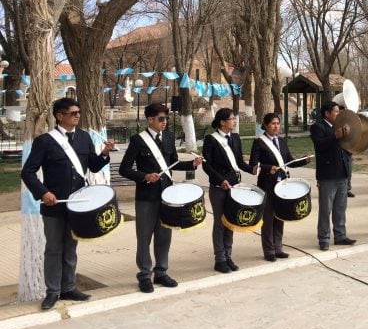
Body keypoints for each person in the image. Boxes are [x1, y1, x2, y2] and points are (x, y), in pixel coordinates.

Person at [21, 98, 113, 310]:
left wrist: (105, 153)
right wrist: (43, 193)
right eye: (73, 113)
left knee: (71, 248)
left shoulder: (83, 137)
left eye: (78, 112)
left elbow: (94, 166)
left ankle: (68, 287)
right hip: (54, 205)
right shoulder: (45, 141)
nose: (77, 116)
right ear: (59, 116)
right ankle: (52, 292)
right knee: (53, 249)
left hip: (78, 205)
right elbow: (28, 172)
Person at [119, 103, 202, 293]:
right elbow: (125, 168)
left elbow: (172, 164)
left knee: (164, 235)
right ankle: (144, 275)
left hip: (167, 195)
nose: (165, 122)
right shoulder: (138, 140)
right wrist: (144, 176)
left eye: (166, 118)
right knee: (144, 237)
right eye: (161, 119)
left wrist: (192, 164)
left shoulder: (169, 137)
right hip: (146, 197)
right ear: (150, 120)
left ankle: (162, 272)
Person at [249, 113, 311, 261]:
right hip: (267, 185)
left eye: (278, 123)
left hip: (282, 185)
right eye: (273, 123)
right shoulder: (259, 142)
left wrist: (304, 160)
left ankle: (278, 247)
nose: (276, 126)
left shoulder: (281, 141)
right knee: (268, 219)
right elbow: (253, 164)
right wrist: (267, 167)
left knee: (280, 217)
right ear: (265, 125)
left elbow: (288, 161)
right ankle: (269, 251)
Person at [202, 108, 257, 273]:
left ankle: (228, 256)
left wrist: (251, 169)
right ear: (222, 122)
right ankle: (219, 259)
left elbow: (239, 161)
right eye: (232, 119)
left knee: (231, 222)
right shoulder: (211, 139)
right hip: (219, 187)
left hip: (235, 186)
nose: (235, 121)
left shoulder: (235, 137)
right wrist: (220, 180)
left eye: (235, 118)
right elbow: (206, 164)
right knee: (220, 223)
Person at [312, 101, 356, 251]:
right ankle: (324, 238)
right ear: (327, 114)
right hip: (327, 175)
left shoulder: (341, 127)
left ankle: (340, 235)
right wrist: (335, 136)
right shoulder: (318, 127)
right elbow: (320, 146)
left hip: (342, 173)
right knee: (326, 209)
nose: (339, 114)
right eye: (336, 112)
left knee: (340, 208)